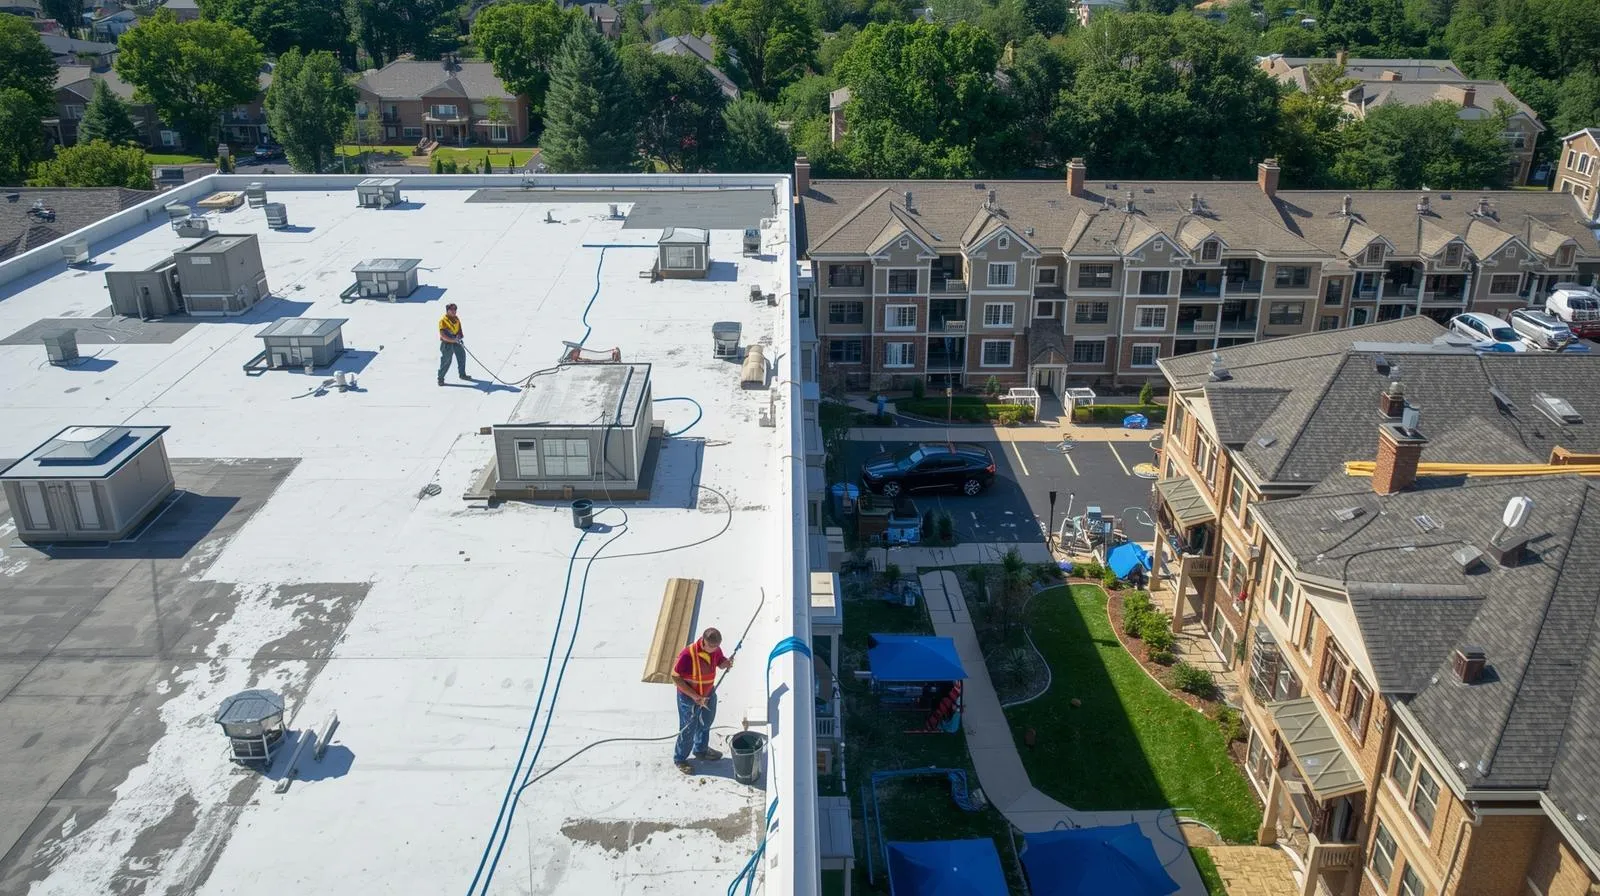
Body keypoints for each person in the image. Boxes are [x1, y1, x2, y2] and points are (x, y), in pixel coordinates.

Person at [671, 627, 733, 774]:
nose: (714, 649)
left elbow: (719, 661)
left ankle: (701, 750)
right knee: (688, 729)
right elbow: (675, 676)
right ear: (703, 641)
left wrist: (725, 664)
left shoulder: (716, 650)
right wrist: (695, 696)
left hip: (708, 693)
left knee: (706, 722)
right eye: (711, 646)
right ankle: (680, 759)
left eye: (716, 646)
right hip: (689, 697)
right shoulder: (688, 655)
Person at [437, 303, 473, 386]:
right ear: (447, 310)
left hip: (457, 342)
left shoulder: (456, 318)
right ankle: (440, 378)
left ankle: (462, 374)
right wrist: (453, 340)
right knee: (446, 361)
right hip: (447, 344)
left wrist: (459, 337)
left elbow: (459, 330)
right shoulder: (443, 321)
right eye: (452, 310)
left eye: (455, 310)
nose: (454, 311)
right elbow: (443, 335)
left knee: (462, 356)